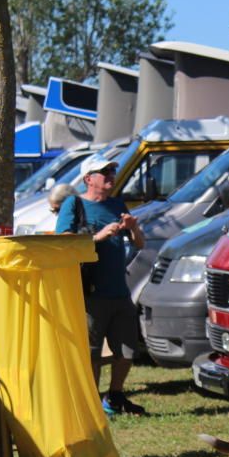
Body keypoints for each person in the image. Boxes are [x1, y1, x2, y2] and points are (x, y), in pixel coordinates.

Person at [55, 156, 147, 416]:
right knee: (91, 354)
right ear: (88, 179)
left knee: (128, 351)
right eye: (104, 171)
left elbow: (140, 244)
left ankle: (115, 396)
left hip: (120, 291)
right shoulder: (74, 204)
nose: (110, 175)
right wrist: (97, 237)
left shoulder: (118, 204)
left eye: (112, 170)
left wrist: (134, 228)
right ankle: (91, 404)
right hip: (89, 293)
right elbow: (63, 243)